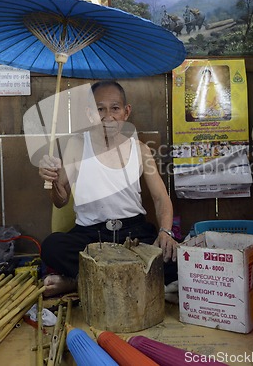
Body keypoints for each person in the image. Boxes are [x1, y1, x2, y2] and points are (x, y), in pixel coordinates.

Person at [38, 80, 178, 297]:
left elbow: (160, 198)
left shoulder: (139, 149)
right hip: (91, 236)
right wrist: (53, 181)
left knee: (177, 258)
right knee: (52, 247)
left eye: (115, 108)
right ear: (89, 114)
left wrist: (165, 232)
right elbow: (60, 199)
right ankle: (127, 279)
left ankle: (80, 282)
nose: (107, 116)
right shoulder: (77, 144)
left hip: (134, 234)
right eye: (99, 109)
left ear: (126, 112)